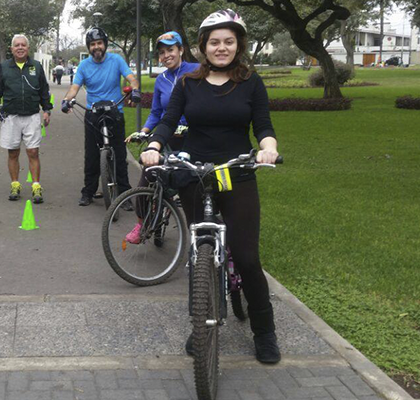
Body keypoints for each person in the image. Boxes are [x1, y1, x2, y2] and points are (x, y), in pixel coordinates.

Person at [141, 9, 281, 364]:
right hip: (196, 172)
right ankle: (201, 324)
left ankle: (264, 331)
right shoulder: (188, 83)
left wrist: (268, 148)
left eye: (229, 42)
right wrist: (155, 146)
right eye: (215, 42)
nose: (222, 48)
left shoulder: (250, 82)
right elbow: (169, 120)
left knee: (247, 257)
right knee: (199, 252)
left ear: (238, 45)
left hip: (236, 172)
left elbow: (262, 125)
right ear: (203, 46)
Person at [123, 31, 199, 244]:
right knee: (148, 175)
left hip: (194, 137)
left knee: (194, 185)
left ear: (181, 50)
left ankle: (200, 238)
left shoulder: (196, 71)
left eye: (171, 50)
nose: (166, 55)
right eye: (162, 52)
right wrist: (144, 132)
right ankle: (142, 222)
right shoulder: (161, 80)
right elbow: (156, 112)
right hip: (166, 135)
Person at [61, 26, 141, 207]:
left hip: (114, 112)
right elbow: (75, 88)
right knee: (91, 156)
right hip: (93, 114)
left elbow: (132, 79)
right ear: (89, 47)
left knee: (120, 155)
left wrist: (135, 91)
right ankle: (88, 191)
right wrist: (66, 101)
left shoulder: (116, 60)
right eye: (92, 44)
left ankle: (124, 194)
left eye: (99, 43)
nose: (96, 47)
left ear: (105, 44)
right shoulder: (83, 65)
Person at [0, 34, 52, 203]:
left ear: (28, 48)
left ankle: (36, 186)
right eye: (17, 45)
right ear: (12, 49)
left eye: (23, 45)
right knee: (13, 152)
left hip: (31, 116)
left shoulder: (36, 67)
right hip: (11, 117)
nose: (20, 47)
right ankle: (15, 184)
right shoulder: (4, 67)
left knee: (33, 152)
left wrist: (47, 110)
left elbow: (44, 91)